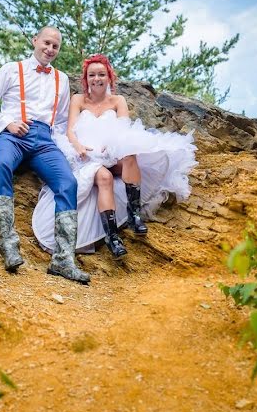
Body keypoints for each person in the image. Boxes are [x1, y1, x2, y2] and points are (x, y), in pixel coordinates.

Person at [31, 53, 197, 258]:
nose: (97, 79)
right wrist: (79, 146)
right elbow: (70, 130)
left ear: (109, 77)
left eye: (101, 74)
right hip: (87, 155)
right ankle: (112, 237)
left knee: (130, 154)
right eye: (92, 75)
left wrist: (112, 147)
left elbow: (124, 130)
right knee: (104, 177)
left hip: (110, 151)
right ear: (86, 79)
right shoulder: (78, 100)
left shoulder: (118, 100)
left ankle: (134, 214)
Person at [0, 26, 90, 284]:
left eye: (55, 46)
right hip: (13, 135)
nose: (49, 49)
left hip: (44, 140)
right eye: (46, 43)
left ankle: (63, 260)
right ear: (35, 41)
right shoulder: (11, 69)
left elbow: (60, 122)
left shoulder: (62, 79)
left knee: (67, 182)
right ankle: (8, 243)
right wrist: (6, 122)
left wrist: (65, 149)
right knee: (1, 164)